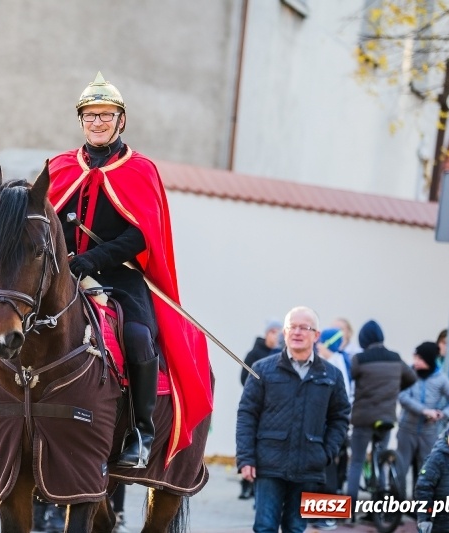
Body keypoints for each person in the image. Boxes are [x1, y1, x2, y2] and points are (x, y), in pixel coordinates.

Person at [48, 72, 211, 468]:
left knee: (138, 337)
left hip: (118, 275)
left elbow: (141, 235)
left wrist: (92, 260)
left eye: (106, 115)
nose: (97, 122)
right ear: (81, 121)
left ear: (121, 120)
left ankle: (141, 431)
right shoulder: (60, 165)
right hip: (61, 273)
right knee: (9, 320)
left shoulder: (140, 169)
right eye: (90, 115)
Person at [236, 306, 350, 533]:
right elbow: (247, 414)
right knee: (265, 527)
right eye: (292, 327)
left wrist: (326, 453)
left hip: (309, 466)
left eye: (304, 327)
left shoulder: (331, 375)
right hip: (269, 464)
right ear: (285, 333)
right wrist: (246, 458)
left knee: (296, 527)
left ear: (316, 335)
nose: (297, 332)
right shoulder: (262, 369)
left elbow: (340, 417)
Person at [345, 319, 416, 519]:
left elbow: (348, 378)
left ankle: (348, 512)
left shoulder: (359, 359)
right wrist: (393, 389)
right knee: (381, 459)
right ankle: (380, 511)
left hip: (363, 418)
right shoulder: (396, 358)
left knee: (357, 462)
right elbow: (411, 377)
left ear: (363, 339)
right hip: (386, 417)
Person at [396, 341, 449, 499]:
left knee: (424, 471)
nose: (416, 362)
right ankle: (396, 504)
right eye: (415, 358)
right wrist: (424, 410)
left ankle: (419, 505)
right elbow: (402, 396)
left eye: (420, 359)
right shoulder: (409, 374)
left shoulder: (440, 378)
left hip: (428, 432)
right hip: (407, 429)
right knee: (400, 469)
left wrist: (442, 414)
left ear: (429, 360)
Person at [237, 319, 283, 501]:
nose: (276, 337)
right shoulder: (255, 353)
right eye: (273, 332)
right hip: (257, 405)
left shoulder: (281, 354)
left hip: (273, 410)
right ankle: (245, 484)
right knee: (249, 445)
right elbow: (244, 377)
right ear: (267, 333)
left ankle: (258, 486)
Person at [414, 414, 449, 532]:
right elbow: (423, 488)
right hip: (440, 524)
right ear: (447, 433)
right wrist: (425, 517)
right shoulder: (437, 458)